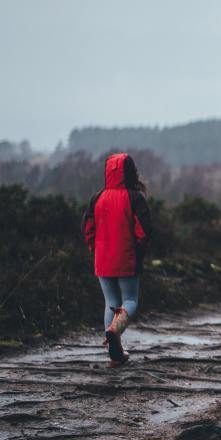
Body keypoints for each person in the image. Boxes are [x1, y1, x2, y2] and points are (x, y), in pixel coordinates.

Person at [81, 153, 153, 367]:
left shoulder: (98, 197)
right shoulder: (135, 198)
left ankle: (115, 354)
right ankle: (115, 332)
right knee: (130, 301)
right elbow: (144, 231)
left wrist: (95, 248)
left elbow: (87, 228)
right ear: (131, 172)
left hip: (102, 259)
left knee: (110, 302)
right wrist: (139, 252)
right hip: (127, 258)